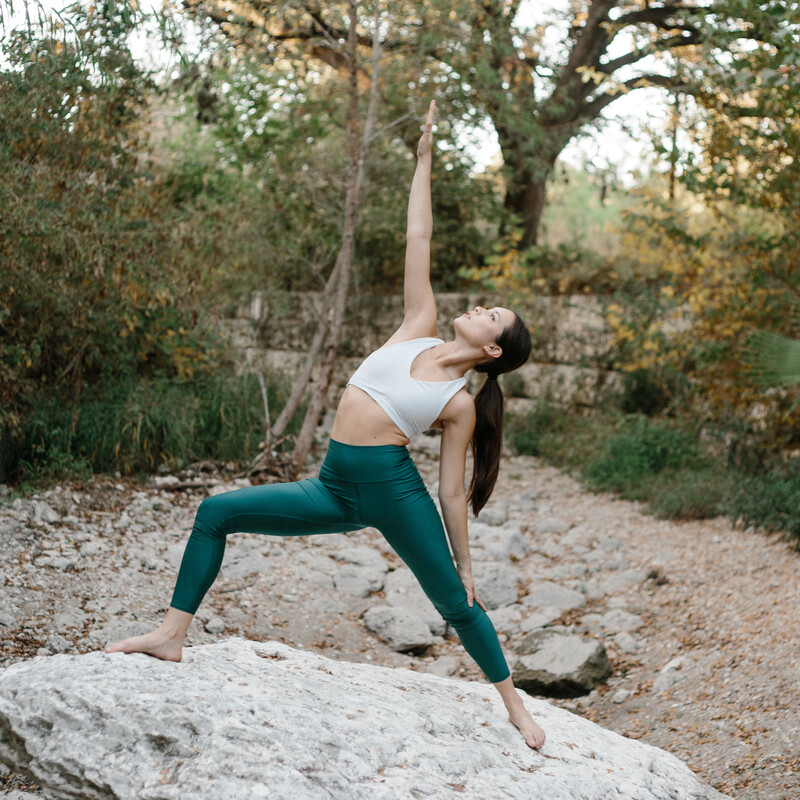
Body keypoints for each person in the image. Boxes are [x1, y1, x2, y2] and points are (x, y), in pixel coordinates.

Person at [106, 100, 546, 750]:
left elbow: (452, 492)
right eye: (487, 306)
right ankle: (171, 636)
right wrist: (423, 160)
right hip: (334, 487)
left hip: (396, 495)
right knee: (215, 511)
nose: (481, 308)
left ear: (491, 352)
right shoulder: (416, 323)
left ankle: (514, 705)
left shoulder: (457, 401)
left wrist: (466, 562)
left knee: (457, 603)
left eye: (493, 317)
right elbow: (416, 238)